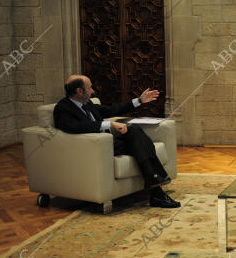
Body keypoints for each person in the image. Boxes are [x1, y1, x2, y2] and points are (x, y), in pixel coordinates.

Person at [53, 74, 180, 209]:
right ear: (79, 91)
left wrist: (140, 101)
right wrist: (108, 125)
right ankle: (157, 189)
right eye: (89, 88)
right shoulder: (63, 108)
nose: (93, 91)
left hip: (109, 143)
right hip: (96, 148)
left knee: (135, 132)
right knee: (140, 144)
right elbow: (72, 127)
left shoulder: (87, 103)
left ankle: (154, 184)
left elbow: (112, 110)